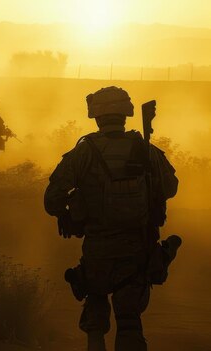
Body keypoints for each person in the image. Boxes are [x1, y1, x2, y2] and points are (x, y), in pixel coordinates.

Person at [44, 86, 180, 351]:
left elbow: (51, 199)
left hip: (97, 249)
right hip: (136, 248)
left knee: (95, 311)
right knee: (129, 320)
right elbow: (170, 188)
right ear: (126, 114)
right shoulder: (146, 150)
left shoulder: (84, 152)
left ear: (96, 116)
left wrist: (68, 214)